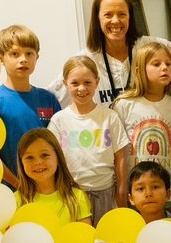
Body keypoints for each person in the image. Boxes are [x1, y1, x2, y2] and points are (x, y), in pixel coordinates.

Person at [50, 0, 171, 106]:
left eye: (122, 14)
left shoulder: (151, 46)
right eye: (108, 15)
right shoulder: (85, 60)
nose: (115, 21)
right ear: (97, 19)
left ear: (130, 17)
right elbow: (50, 99)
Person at [48, 55, 129, 224]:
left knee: (106, 242)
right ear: (65, 84)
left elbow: (120, 157)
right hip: (72, 195)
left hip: (106, 192)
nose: (81, 88)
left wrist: (121, 191)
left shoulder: (110, 117)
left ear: (97, 82)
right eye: (75, 83)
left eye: (87, 82)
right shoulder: (59, 120)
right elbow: (53, 158)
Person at [112, 40, 171, 208]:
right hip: (137, 187)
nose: (164, 68)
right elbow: (118, 151)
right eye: (156, 64)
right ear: (139, 71)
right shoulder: (124, 104)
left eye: (168, 64)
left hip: (166, 186)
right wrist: (121, 189)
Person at [0, 24, 60, 189]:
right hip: (13, 190)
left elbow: (60, 144)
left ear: (37, 57)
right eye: (15, 54)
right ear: (1, 58)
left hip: (50, 188)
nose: (23, 59)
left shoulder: (48, 99)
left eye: (29, 53)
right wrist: (18, 184)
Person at [14, 128, 91, 226]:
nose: (38, 162)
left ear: (58, 158)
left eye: (44, 155)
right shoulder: (15, 201)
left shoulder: (77, 197)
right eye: (29, 157)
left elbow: (85, 237)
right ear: (21, 163)